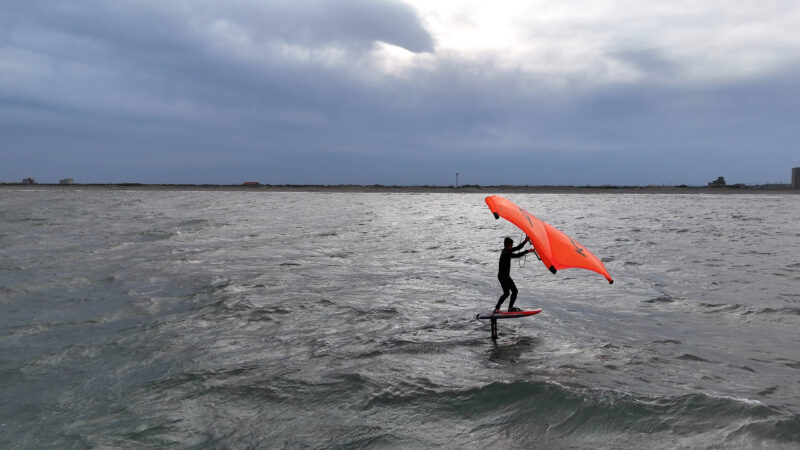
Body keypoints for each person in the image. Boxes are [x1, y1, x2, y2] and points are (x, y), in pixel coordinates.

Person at [496, 236, 534, 313]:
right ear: (508, 245)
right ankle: (497, 308)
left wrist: (525, 241)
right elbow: (517, 255)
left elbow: (517, 248)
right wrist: (527, 251)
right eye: (511, 245)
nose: (512, 246)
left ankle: (510, 308)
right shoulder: (505, 253)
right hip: (503, 277)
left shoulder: (507, 250)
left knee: (514, 291)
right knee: (507, 293)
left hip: (506, 276)